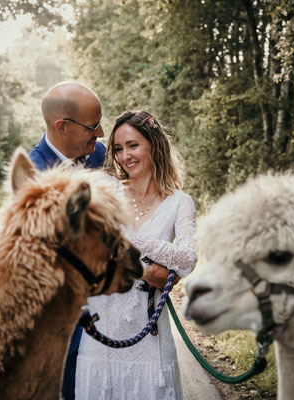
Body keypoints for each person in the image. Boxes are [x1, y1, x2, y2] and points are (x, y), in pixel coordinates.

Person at [75, 111, 198, 399]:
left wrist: (129, 243)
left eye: (133, 145)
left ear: (154, 145)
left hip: (150, 340)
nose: (125, 156)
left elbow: (187, 259)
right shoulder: (106, 192)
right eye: (118, 148)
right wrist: (153, 268)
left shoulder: (180, 203)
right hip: (101, 335)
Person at [28, 81, 106, 400]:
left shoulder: (98, 154)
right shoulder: (34, 177)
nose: (101, 134)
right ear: (62, 126)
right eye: (93, 126)